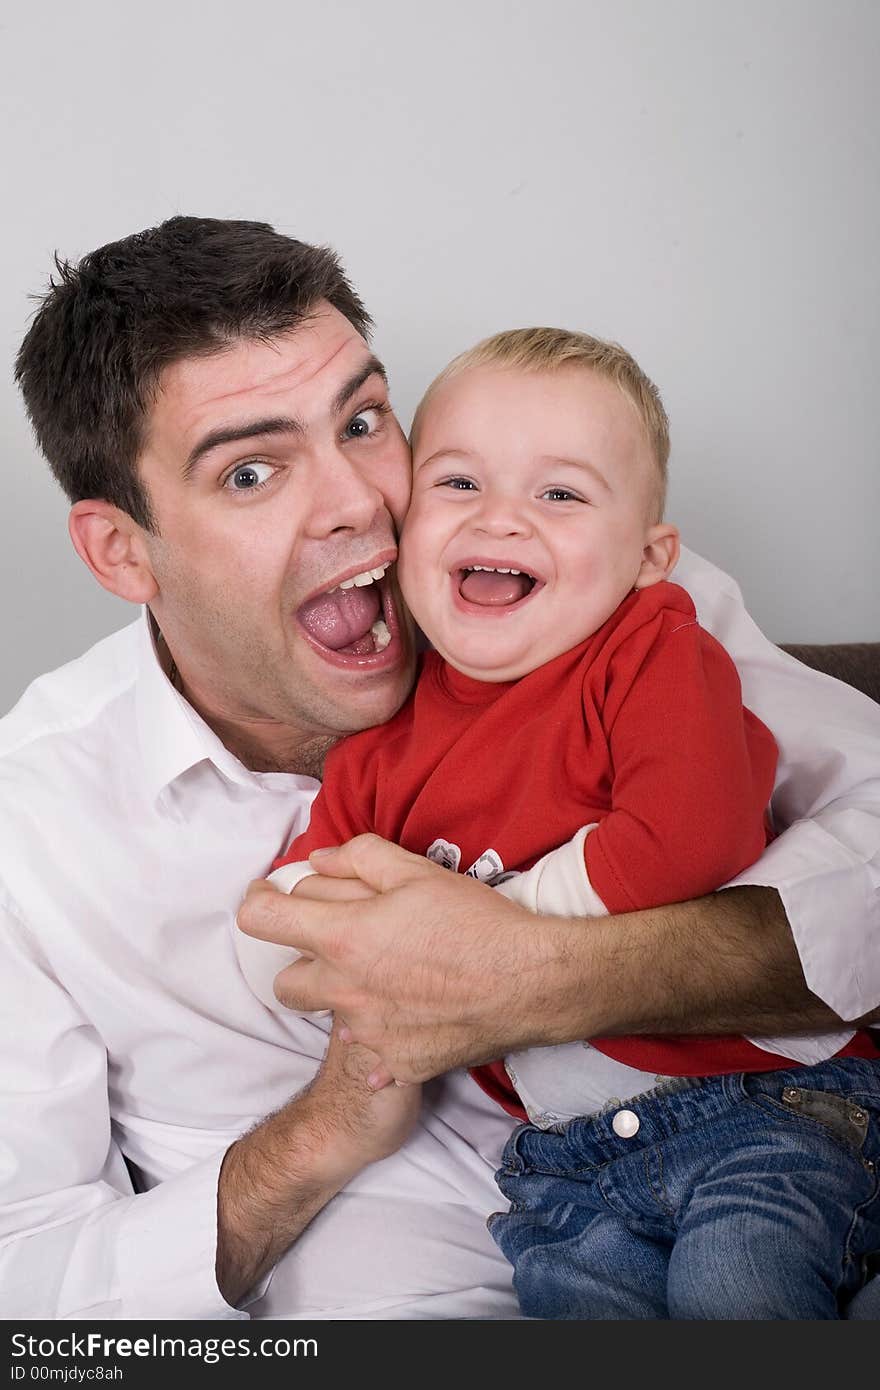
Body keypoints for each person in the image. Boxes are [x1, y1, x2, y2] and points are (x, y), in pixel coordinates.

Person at [2, 216, 879, 1321]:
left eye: (363, 420)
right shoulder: (31, 837)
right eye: (254, 470)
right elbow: (26, 1280)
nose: (363, 502)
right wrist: (316, 1131)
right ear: (122, 550)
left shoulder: (584, 579)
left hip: (763, 1180)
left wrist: (540, 969)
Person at [236, 328, 880, 1318]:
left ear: (647, 557)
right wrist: (296, 921)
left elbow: (689, 840)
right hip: (562, 1169)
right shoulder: (378, 747)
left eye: (561, 495)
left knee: (733, 1296)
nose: (503, 518)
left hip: (756, 1110)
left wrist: (494, 920)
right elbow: (294, 907)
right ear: (401, 536)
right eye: (457, 484)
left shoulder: (651, 653)